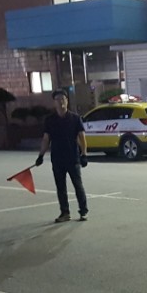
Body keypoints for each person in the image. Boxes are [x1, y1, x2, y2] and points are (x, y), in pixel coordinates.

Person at [35, 89, 88, 223]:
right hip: (57, 159)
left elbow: (82, 137)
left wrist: (84, 154)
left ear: (67, 101)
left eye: (63, 99)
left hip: (72, 158)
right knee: (61, 188)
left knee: (78, 185)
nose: (61, 101)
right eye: (58, 99)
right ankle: (65, 213)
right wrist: (41, 155)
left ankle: (83, 211)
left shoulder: (75, 118)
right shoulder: (50, 120)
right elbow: (46, 139)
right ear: (54, 102)